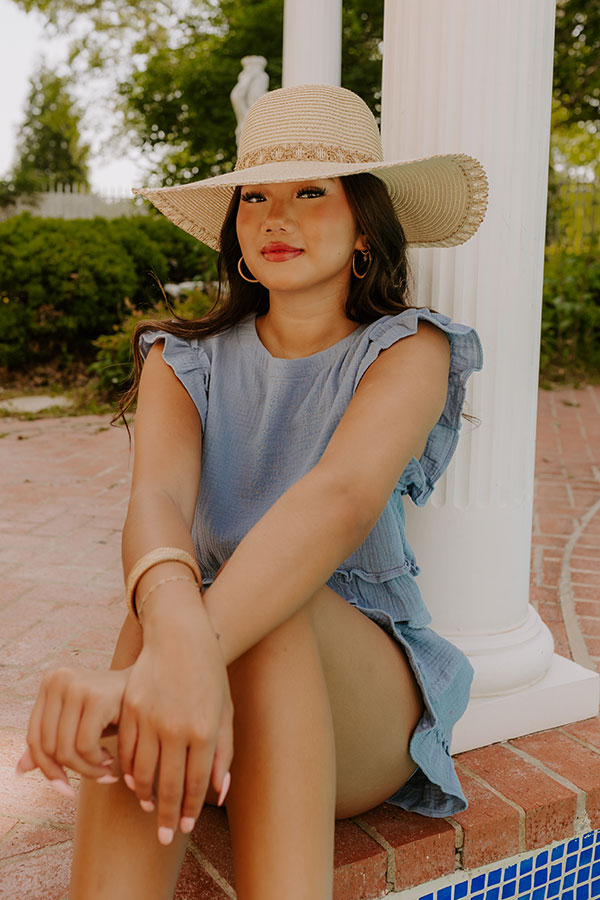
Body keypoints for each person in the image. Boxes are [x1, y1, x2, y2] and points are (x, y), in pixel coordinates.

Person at [15, 83, 487, 900]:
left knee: (268, 615)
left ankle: (172, 668)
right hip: (203, 686)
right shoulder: (180, 359)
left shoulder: (409, 349)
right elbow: (157, 503)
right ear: (234, 228)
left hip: (356, 699)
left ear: (365, 227)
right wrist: (175, 643)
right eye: (255, 198)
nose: (277, 217)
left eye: (312, 192)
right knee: (159, 605)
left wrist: (160, 666)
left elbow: (339, 498)